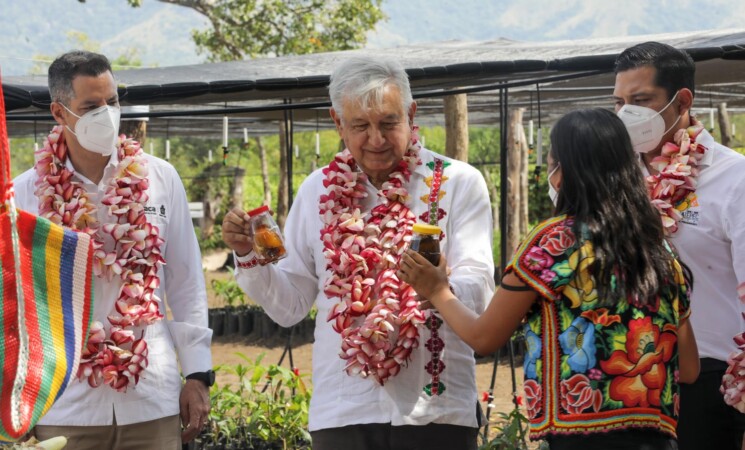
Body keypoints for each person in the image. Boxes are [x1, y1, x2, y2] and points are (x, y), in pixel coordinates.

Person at [222, 56, 495, 450]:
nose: (377, 139)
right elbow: (291, 305)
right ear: (337, 123)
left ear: (411, 114)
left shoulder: (459, 182)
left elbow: (481, 292)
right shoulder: (317, 191)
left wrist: (436, 289)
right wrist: (249, 254)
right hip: (344, 410)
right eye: (360, 126)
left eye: (388, 123)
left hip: (437, 409)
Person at [399, 108, 700, 450]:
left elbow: (484, 338)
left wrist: (437, 290)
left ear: (565, 172)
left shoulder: (556, 241)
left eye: (552, 163)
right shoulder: (659, 251)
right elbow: (688, 369)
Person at [13, 50, 213, 450]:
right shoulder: (24, 193)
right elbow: (16, 302)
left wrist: (197, 375)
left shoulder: (159, 177)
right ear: (59, 112)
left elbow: (186, 281)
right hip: (64, 404)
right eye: (91, 106)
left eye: (113, 102)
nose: (107, 115)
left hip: (151, 398)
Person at [613, 41, 745, 450]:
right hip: (627, 371)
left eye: (640, 100)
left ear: (681, 100)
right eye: (619, 102)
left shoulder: (734, 179)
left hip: (709, 378)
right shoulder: (618, 180)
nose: (625, 114)